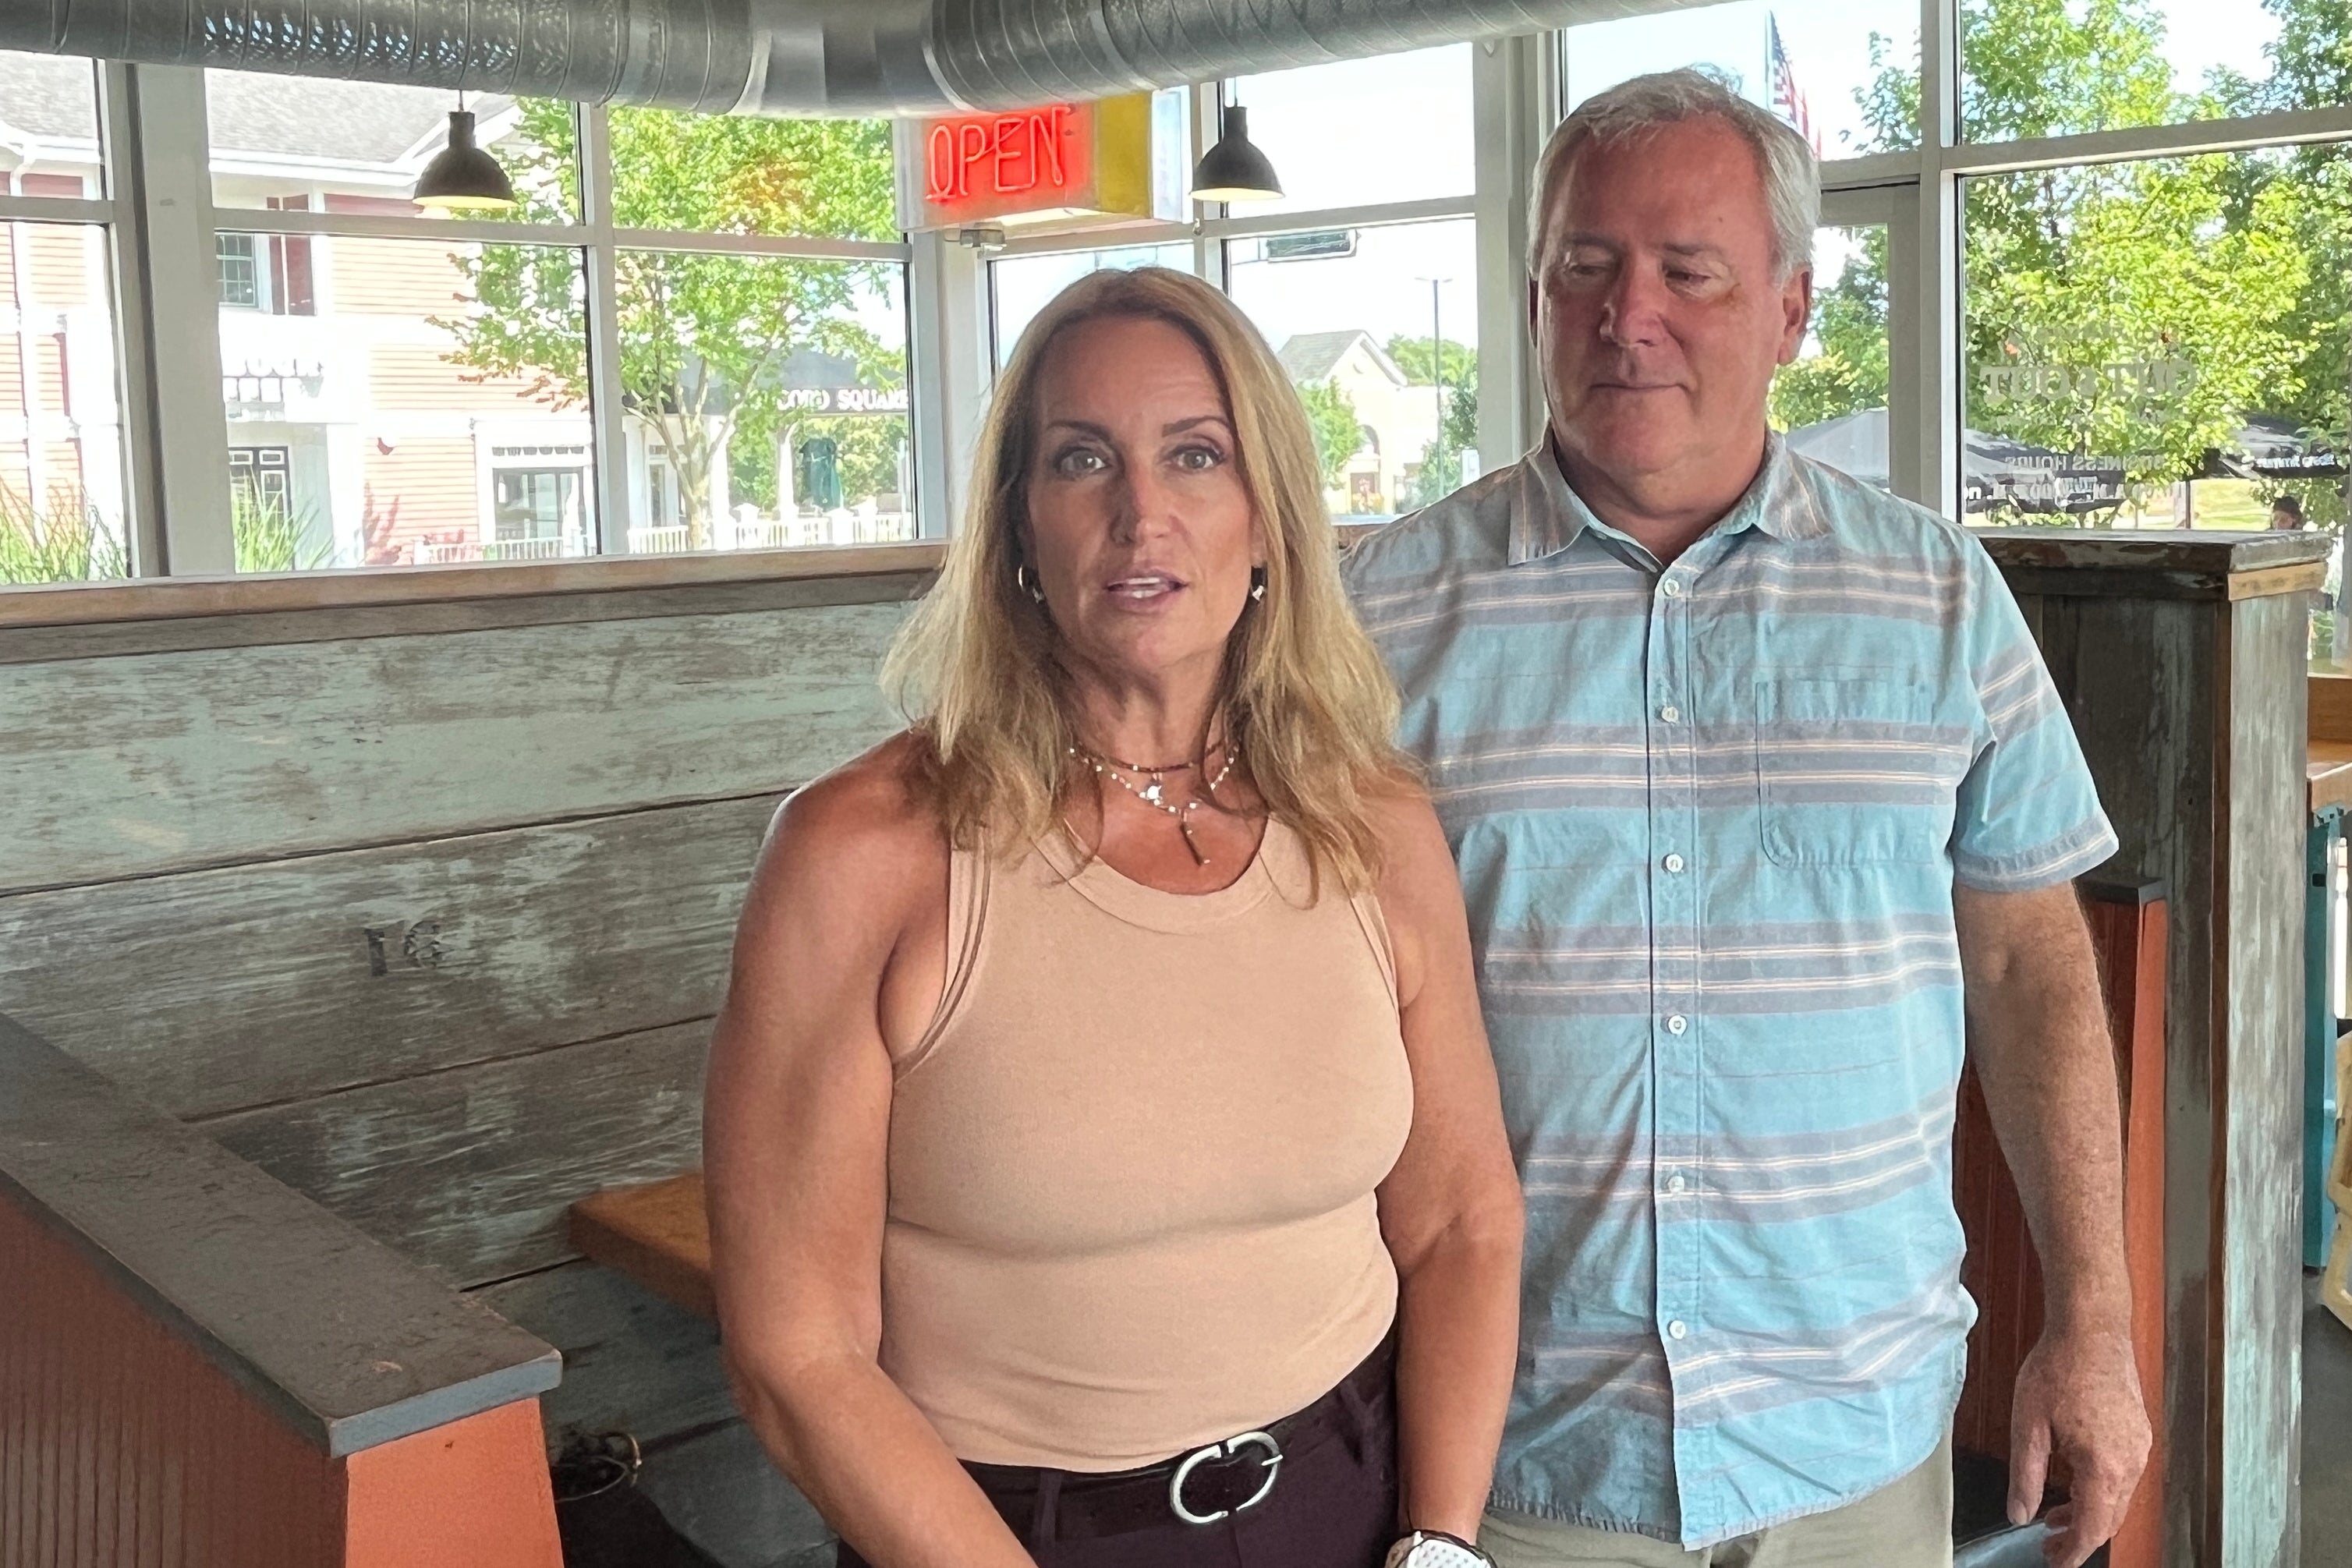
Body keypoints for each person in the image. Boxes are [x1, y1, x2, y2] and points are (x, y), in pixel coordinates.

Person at [1342, 70, 2151, 1568]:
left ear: (1789, 310)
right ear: (1532, 293)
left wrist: (2093, 1326)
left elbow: (2035, 969)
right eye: (1583, 266)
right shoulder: (1379, 618)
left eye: (1686, 272)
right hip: (1514, 1461)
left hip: (1856, 1445)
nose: (1623, 313)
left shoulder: (1936, 598)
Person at [704, 265, 1524, 1568]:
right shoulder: (863, 855)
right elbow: (797, 1354)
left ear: (1267, 520)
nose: (1143, 514)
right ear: (1018, 526)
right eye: (1082, 461)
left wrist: (1443, 1543)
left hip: (1355, 1502)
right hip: (1008, 1537)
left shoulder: (1372, 819)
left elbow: (1464, 1219)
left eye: (1196, 456)